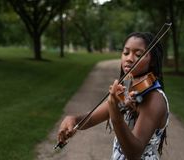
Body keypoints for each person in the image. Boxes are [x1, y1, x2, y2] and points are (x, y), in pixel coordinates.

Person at [57, 32, 169, 160]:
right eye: (126, 53)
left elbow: (134, 153)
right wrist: (74, 120)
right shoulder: (129, 86)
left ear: (153, 61)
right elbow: (92, 118)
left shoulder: (154, 99)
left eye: (138, 54)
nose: (129, 58)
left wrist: (116, 115)